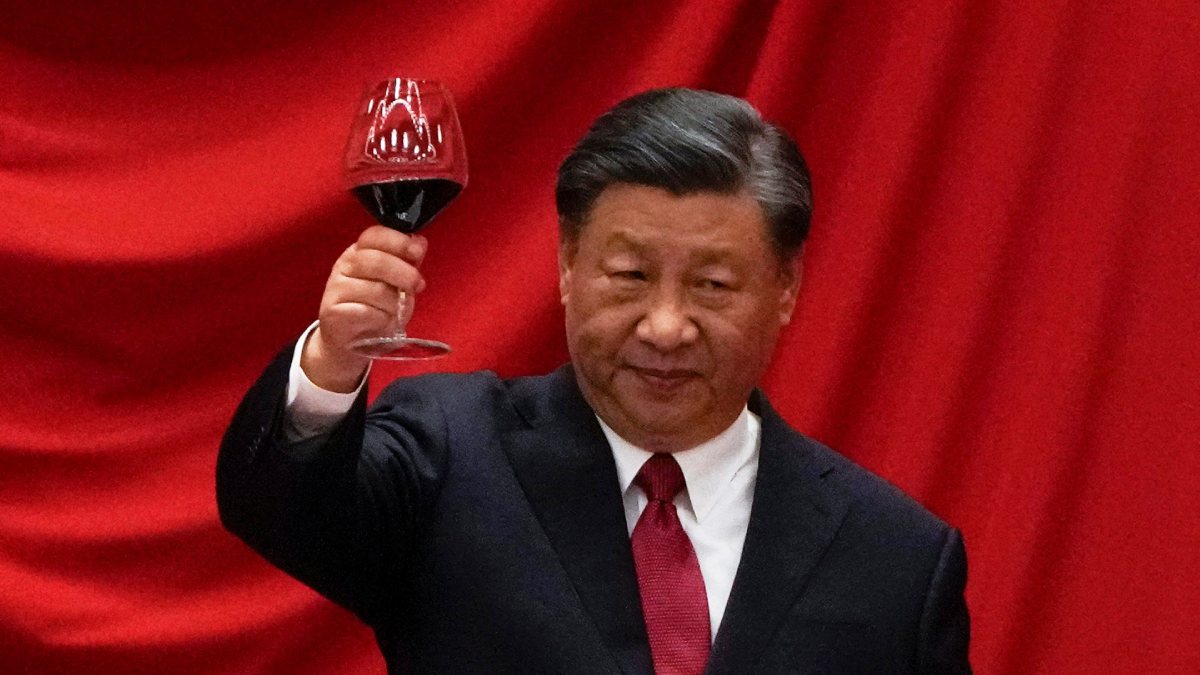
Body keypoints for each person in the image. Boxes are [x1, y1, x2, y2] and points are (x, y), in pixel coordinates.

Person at [218, 87, 971, 674]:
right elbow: (285, 511)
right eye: (630, 276)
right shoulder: (451, 455)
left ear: (786, 288)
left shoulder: (896, 558)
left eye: (712, 285)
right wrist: (334, 360)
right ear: (568, 266)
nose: (665, 326)